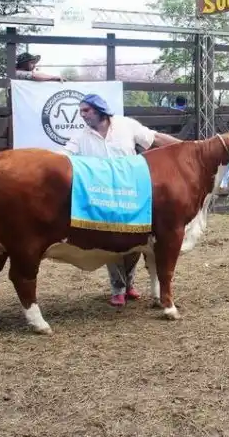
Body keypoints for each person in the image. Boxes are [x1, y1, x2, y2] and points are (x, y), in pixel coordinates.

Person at [63, 93, 183, 306]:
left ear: (99, 110)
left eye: (86, 111)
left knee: (136, 239)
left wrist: (185, 146)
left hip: (132, 191)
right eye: (81, 111)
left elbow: (154, 138)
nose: (82, 115)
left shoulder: (126, 125)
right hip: (103, 195)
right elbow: (62, 157)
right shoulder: (81, 137)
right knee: (113, 243)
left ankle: (129, 284)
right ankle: (117, 288)